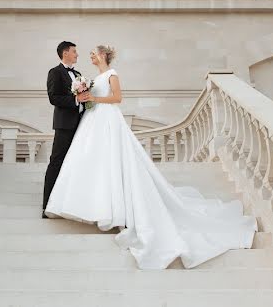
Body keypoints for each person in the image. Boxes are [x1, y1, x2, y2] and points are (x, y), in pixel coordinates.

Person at [44, 44, 257, 269]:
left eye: (94, 54)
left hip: (108, 120)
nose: (89, 57)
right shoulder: (90, 79)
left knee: (111, 161)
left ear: (104, 56)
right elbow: (80, 100)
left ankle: (112, 208)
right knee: (91, 162)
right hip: (91, 122)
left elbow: (117, 98)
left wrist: (94, 100)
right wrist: (85, 97)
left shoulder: (112, 75)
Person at [42, 41, 90, 217]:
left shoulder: (78, 74)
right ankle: (46, 206)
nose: (77, 55)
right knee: (57, 162)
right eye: (74, 52)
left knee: (76, 163)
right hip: (64, 125)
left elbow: (85, 99)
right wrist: (77, 100)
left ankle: (71, 204)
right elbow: (53, 98)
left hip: (81, 124)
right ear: (65, 53)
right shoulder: (55, 72)